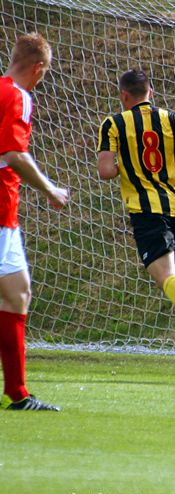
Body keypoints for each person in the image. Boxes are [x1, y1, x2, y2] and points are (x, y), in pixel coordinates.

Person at [97, 69, 175, 357]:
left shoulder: (114, 123)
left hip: (147, 209)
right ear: (150, 93)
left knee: (165, 274)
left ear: (123, 95)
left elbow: (105, 172)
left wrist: (122, 167)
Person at [0, 33, 69, 411]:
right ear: (38, 68)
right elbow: (13, 153)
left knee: (17, 292)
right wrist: (49, 190)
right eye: (47, 71)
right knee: (16, 294)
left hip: (5, 215)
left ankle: (18, 392)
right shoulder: (18, 96)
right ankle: (18, 392)